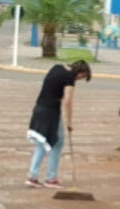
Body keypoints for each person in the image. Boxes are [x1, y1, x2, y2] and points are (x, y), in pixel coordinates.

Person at [26, 60, 92, 188]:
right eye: (82, 77)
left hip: (39, 108)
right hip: (50, 113)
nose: (80, 79)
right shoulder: (69, 78)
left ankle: (32, 177)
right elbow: (68, 101)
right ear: (80, 72)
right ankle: (51, 178)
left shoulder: (56, 67)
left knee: (41, 144)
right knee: (58, 143)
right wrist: (69, 122)